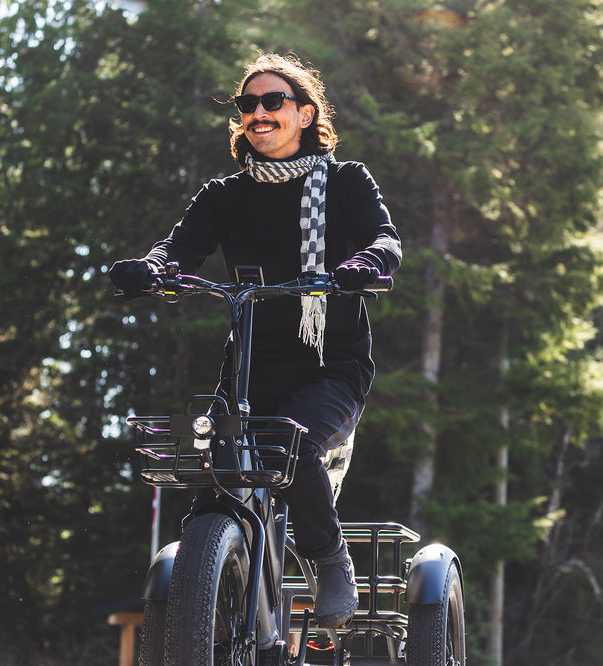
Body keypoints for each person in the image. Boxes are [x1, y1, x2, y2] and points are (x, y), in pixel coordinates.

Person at [108, 53, 401, 628]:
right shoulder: (224, 196)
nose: (259, 112)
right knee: (212, 491)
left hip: (329, 367)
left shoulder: (345, 182)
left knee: (283, 447)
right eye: (248, 104)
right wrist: (150, 268)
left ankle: (330, 560)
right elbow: (178, 250)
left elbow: (385, 239)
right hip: (248, 366)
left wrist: (362, 264)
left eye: (273, 102)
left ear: (306, 113)